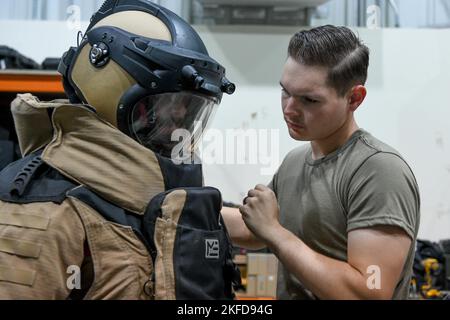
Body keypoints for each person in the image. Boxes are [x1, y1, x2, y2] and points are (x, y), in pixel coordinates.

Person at [0, 0, 235, 299]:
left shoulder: (156, 202)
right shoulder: (43, 209)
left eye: (190, 109)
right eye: (170, 105)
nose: (179, 121)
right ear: (111, 90)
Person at [222, 25, 420, 300]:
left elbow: (370, 293)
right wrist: (179, 205)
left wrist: (276, 234)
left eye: (309, 100)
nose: (289, 109)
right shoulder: (295, 161)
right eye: (285, 92)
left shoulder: (378, 171)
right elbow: (254, 227)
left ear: (354, 98)